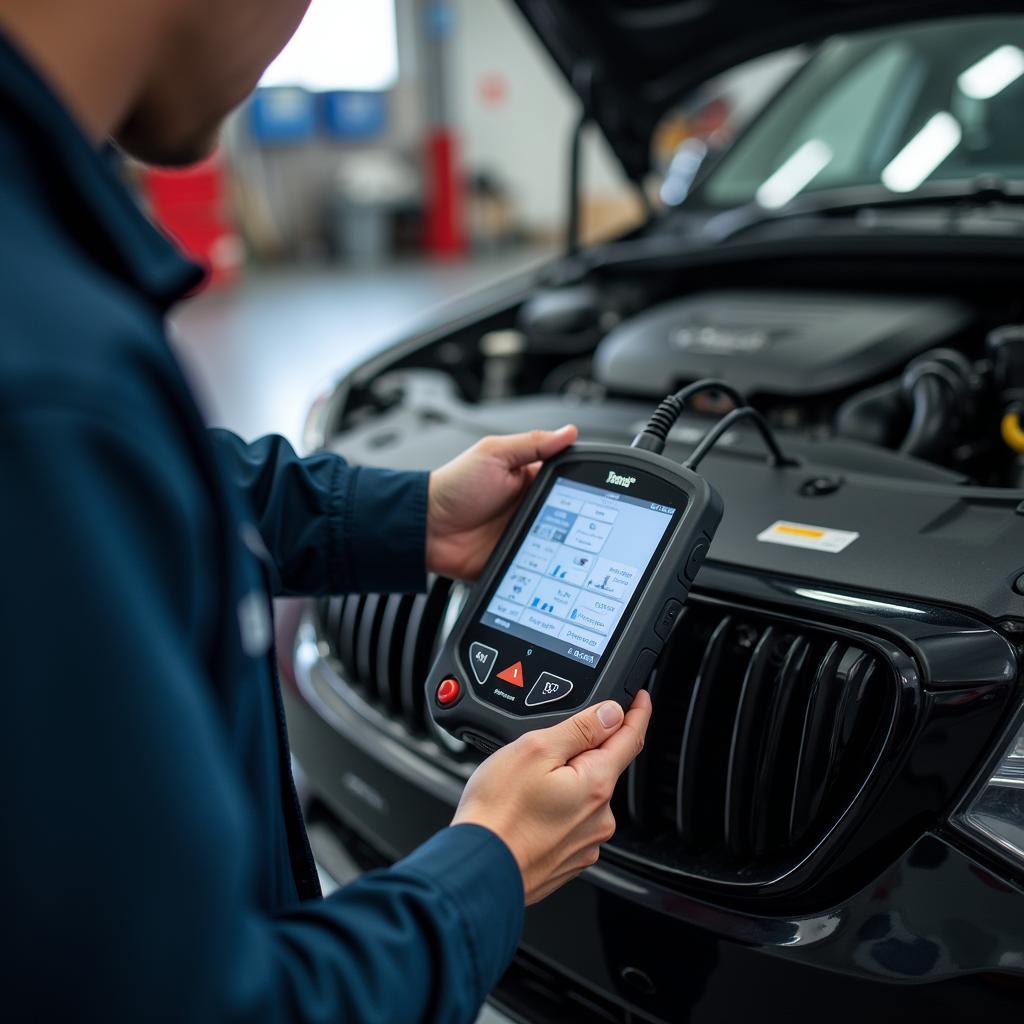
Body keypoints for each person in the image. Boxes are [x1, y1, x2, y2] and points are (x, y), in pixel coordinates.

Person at [0, 2, 653, 1022]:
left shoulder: (42, 309)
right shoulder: (49, 382)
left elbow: (173, 481)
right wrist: (484, 871)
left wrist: (412, 517)